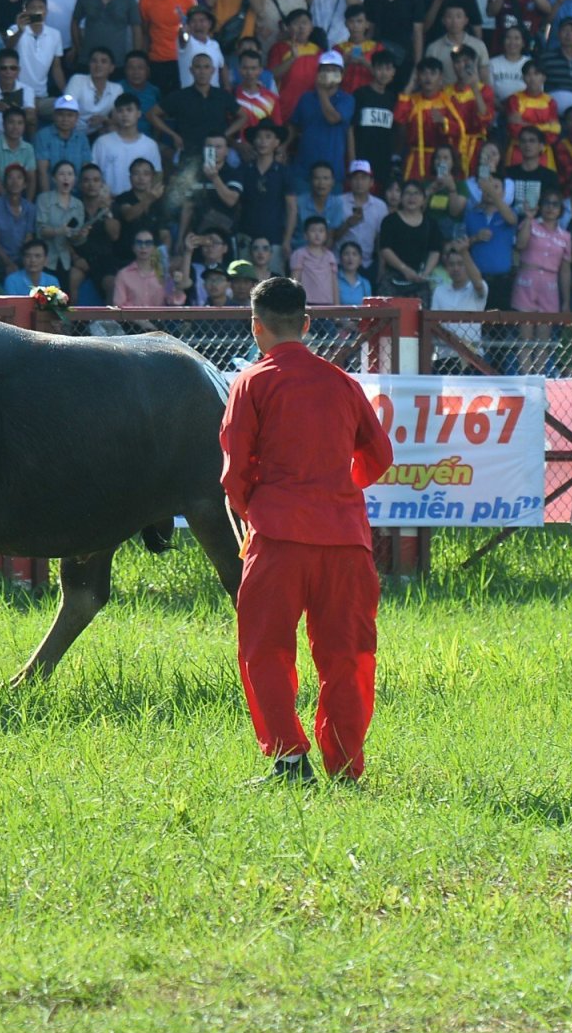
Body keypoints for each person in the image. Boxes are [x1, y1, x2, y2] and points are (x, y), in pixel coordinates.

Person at [220, 277, 394, 784]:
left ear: (257, 328)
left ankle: (290, 761)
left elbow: (233, 472)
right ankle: (344, 766)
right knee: (349, 656)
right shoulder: (342, 382)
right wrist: (337, 491)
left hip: (278, 538)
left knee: (265, 650)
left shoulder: (251, 382)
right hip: (344, 540)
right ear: (307, 324)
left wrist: (257, 510)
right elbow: (379, 457)